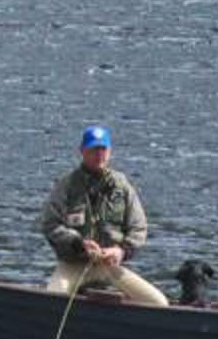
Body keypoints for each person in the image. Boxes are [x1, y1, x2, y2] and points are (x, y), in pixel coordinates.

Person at [40, 125, 167, 307]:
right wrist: (78, 243)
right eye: (93, 150)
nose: (99, 154)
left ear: (110, 152)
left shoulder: (122, 186)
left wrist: (121, 251)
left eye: (103, 149)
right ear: (82, 151)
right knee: (53, 302)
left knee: (159, 303)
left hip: (109, 267)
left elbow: (138, 227)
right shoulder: (67, 185)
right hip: (73, 265)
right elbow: (50, 224)